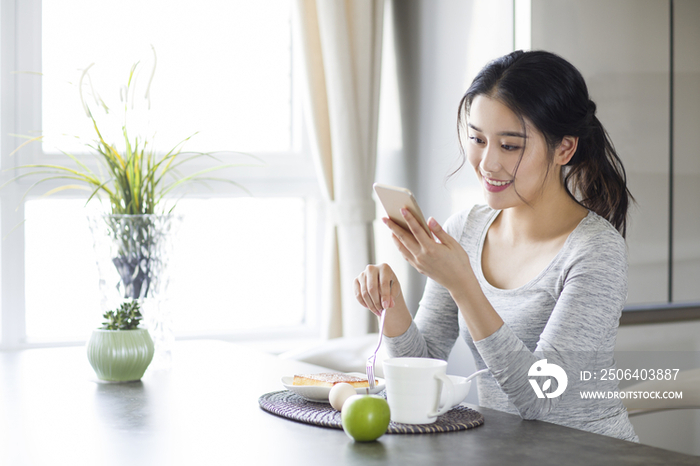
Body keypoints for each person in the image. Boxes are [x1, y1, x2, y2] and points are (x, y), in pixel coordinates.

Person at [354, 50, 638, 442]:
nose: (487, 163)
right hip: (504, 452)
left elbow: (542, 397)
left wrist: (463, 284)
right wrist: (392, 305)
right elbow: (422, 368)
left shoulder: (596, 251)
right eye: (477, 139)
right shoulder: (466, 230)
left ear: (564, 149)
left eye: (509, 146)